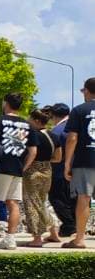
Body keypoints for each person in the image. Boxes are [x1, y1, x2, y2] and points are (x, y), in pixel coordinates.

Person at [0, 92, 31, 246]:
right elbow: (32, 150)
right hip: (17, 167)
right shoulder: (26, 124)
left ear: (5, 103)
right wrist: (24, 166)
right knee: (13, 203)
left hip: (0, 166)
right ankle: (10, 239)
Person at [61, 76, 95, 249]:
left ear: (87, 91)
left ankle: (80, 239)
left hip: (85, 160)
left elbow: (72, 138)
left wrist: (67, 163)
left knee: (84, 197)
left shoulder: (79, 110)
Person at [19, 109, 61, 247]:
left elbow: (32, 152)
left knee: (32, 204)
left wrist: (24, 167)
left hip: (32, 171)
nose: (27, 121)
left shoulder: (32, 134)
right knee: (42, 202)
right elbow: (58, 158)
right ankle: (54, 233)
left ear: (36, 121)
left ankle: (37, 238)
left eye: (29, 119)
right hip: (47, 170)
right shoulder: (54, 135)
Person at [48, 101, 75, 235]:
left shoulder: (57, 131)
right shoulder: (74, 127)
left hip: (59, 169)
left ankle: (68, 224)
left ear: (54, 115)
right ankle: (73, 223)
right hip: (76, 168)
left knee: (56, 197)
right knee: (73, 198)